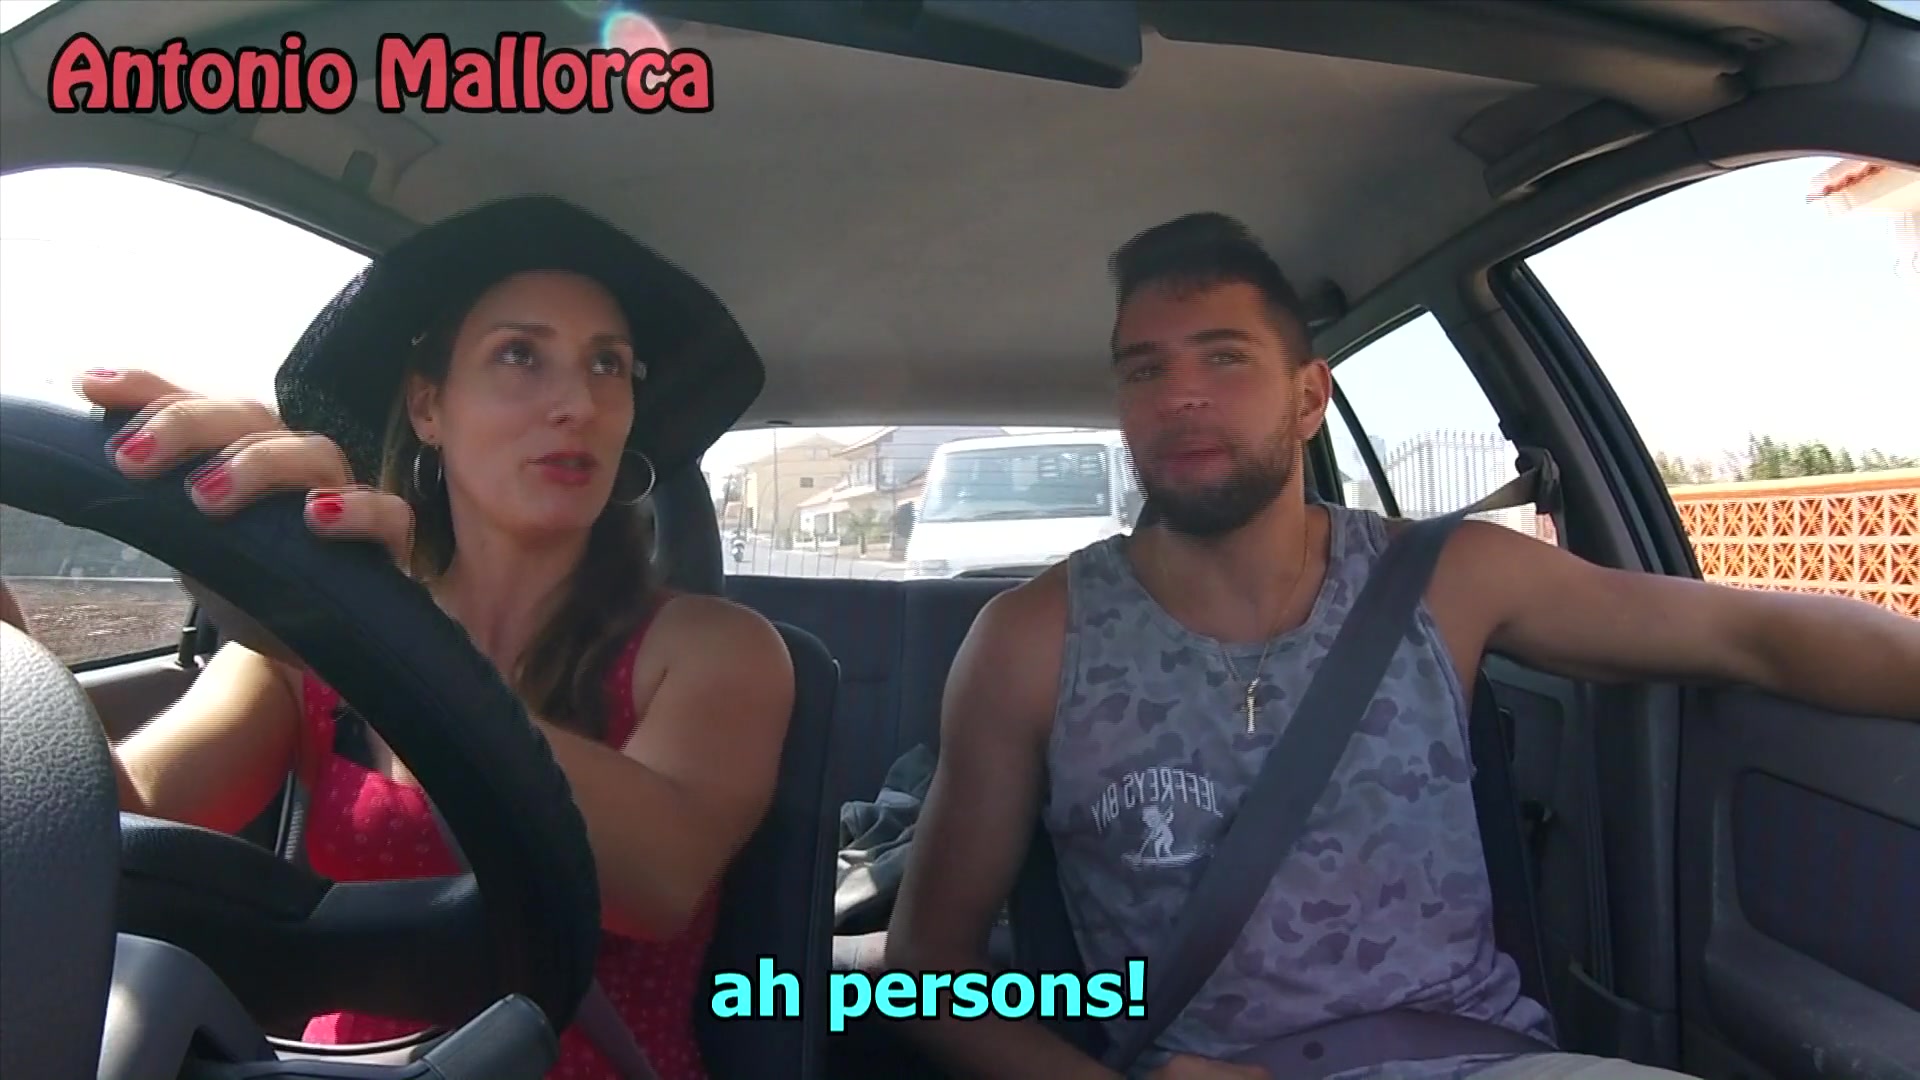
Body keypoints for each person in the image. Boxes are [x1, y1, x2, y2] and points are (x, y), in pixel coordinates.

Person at [883, 212, 1920, 1080]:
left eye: (1225, 357)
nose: (1180, 394)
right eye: (1144, 369)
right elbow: (925, 974)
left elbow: (1753, 634)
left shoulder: (1449, 577)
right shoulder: (1030, 639)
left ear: (1309, 397)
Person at [79, 195, 796, 1080]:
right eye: (520, 354)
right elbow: (107, 823)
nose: (578, 401)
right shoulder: (313, 644)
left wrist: (378, 655)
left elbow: (659, 880)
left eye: (608, 364)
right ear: (427, 405)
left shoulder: (717, 647)